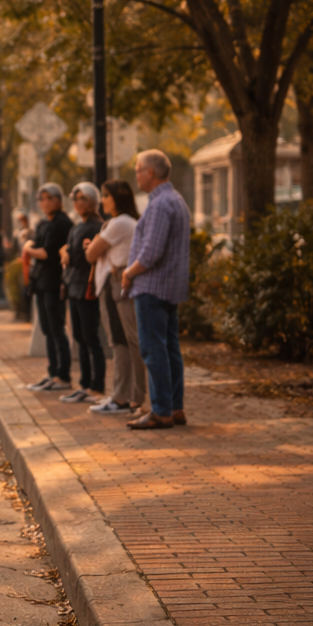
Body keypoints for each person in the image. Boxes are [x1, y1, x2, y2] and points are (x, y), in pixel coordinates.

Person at [122, 149, 192, 430]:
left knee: (153, 349)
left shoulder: (161, 204)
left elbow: (150, 253)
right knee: (169, 347)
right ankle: (174, 408)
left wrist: (128, 272)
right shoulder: (176, 200)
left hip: (152, 287)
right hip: (168, 287)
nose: (136, 174)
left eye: (138, 169)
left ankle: (161, 410)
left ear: (149, 173)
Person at [86, 179, 146, 416]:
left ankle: (124, 398)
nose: (102, 200)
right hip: (116, 282)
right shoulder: (124, 222)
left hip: (117, 282)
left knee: (122, 341)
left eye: (106, 195)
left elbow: (91, 254)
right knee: (124, 340)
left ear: (117, 198)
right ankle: (126, 395)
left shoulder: (120, 222)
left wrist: (91, 247)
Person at [20, 184, 74, 392]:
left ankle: (63, 375)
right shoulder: (43, 223)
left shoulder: (62, 223)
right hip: (40, 282)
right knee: (47, 330)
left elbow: (45, 253)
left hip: (54, 282)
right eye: (40, 199)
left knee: (57, 328)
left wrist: (29, 249)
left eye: (47, 198)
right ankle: (52, 373)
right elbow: (34, 244)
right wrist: (30, 247)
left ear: (58, 200)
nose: (43, 202)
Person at [57, 182, 105, 404]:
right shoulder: (77, 227)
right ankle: (84, 383)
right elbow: (68, 250)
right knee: (79, 336)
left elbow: (76, 255)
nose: (77, 204)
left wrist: (68, 254)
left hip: (87, 287)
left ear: (93, 202)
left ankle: (97, 385)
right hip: (73, 286)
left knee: (90, 336)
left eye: (82, 199)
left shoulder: (97, 226)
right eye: (75, 200)